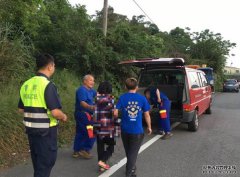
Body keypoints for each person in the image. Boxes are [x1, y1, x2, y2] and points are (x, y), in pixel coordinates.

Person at [18, 53, 68, 177]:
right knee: (45, 165)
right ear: (50, 66)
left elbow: (20, 109)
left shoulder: (26, 84)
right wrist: (64, 116)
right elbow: (55, 112)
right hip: (46, 133)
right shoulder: (48, 85)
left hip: (31, 131)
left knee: (38, 164)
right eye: (54, 66)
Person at [114, 78, 152, 177]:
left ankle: (131, 167)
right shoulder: (142, 98)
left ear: (125, 87)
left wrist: (117, 120)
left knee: (129, 151)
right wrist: (149, 127)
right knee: (133, 153)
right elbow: (147, 115)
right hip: (137, 131)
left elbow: (115, 112)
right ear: (137, 87)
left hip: (125, 129)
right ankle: (129, 173)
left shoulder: (122, 97)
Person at [94, 81, 120, 172]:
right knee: (111, 146)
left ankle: (101, 166)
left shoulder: (96, 99)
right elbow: (114, 114)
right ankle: (103, 161)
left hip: (98, 126)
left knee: (100, 146)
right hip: (108, 127)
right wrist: (117, 124)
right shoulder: (110, 100)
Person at [73, 74, 97, 159]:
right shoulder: (81, 90)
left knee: (80, 132)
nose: (92, 82)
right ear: (85, 81)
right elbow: (82, 103)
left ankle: (77, 150)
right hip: (82, 114)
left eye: (93, 80)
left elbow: (98, 95)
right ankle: (85, 149)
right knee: (90, 132)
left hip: (87, 114)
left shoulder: (91, 90)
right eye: (90, 80)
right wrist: (91, 107)